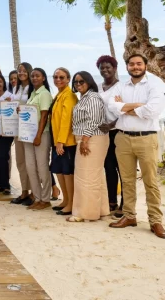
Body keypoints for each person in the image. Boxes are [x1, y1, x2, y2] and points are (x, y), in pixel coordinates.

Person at [107, 54, 165, 239]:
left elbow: (153, 110)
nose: (135, 67)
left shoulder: (154, 83)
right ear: (127, 67)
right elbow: (111, 106)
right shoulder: (121, 85)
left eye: (139, 63)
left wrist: (124, 107)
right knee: (127, 180)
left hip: (146, 139)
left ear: (145, 65)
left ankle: (156, 221)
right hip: (123, 138)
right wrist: (137, 106)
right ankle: (129, 216)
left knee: (151, 181)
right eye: (132, 64)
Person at [68, 71, 110, 222]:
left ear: (89, 82)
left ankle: (84, 213)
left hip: (92, 138)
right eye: (76, 82)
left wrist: (85, 140)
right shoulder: (85, 97)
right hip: (90, 137)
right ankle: (101, 210)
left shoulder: (92, 97)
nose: (78, 84)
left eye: (82, 81)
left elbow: (93, 120)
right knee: (95, 176)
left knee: (85, 177)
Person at [23, 68, 54, 211]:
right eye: (32, 76)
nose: (34, 78)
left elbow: (44, 116)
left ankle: (46, 199)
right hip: (28, 135)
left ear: (43, 78)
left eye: (37, 76)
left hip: (41, 134)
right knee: (30, 167)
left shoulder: (45, 94)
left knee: (42, 168)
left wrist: (38, 135)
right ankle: (37, 197)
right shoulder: (32, 94)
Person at [50, 68, 78, 216]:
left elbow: (66, 120)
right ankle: (66, 200)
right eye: (55, 77)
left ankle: (72, 203)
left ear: (68, 79)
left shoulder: (70, 96)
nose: (58, 79)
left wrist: (60, 141)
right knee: (59, 171)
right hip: (57, 141)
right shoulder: (59, 94)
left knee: (68, 173)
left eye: (61, 77)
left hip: (67, 142)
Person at [97, 55, 123, 216]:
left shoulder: (121, 87)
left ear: (115, 68)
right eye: (102, 68)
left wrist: (111, 125)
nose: (105, 70)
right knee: (108, 168)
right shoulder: (98, 87)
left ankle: (124, 204)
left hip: (118, 131)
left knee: (122, 168)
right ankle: (111, 201)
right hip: (103, 134)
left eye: (108, 67)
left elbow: (125, 110)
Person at [10, 63, 33, 207]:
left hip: (29, 129)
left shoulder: (33, 88)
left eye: (24, 71)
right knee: (20, 162)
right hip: (17, 128)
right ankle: (24, 190)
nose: (22, 73)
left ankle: (34, 193)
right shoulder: (16, 88)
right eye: (20, 71)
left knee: (30, 162)